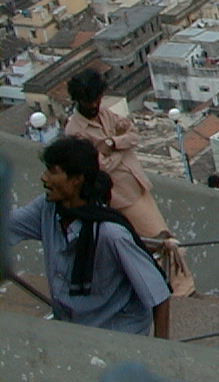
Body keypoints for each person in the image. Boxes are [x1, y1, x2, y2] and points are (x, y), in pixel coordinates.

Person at [7, 136, 171, 337]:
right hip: (73, 327)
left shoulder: (110, 233)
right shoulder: (47, 209)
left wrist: (163, 353)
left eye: (53, 172)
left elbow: (159, 295)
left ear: (77, 179)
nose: (44, 178)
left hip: (116, 332)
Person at [64, 69, 193, 297]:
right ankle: (183, 293)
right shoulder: (75, 131)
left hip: (137, 184)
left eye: (97, 99)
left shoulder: (104, 114)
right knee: (165, 242)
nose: (94, 104)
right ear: (78, 100)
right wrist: (120, 149)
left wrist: (112, 143)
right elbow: (97, 167)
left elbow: (133, 136)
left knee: (161, 240)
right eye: (89, 100)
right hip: (120, 197)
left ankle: (177, 288)